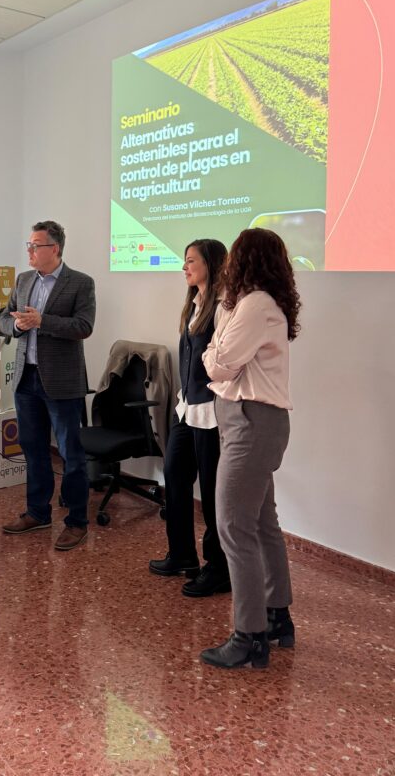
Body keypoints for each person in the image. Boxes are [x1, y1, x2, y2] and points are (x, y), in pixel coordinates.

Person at [199, 227, 300, 669]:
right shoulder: (247, 303)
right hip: (249, 421)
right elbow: (220, 353)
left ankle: (250, 636)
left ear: (243, 260)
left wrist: (214, 353)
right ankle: (277, 617)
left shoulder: (256, 304)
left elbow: (219, 363)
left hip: (251, 423)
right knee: (261, 523)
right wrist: (217, 348)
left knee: (233, 527)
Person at [0, 221, 96, 551]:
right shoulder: (24, 280)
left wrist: (43, 321)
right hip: (27, 378)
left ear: (54, 248)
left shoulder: (81, 283)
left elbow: (84, 326)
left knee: (70, 453)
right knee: (34, 448)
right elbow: (3, 319)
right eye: (28, 244)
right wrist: (18, 327)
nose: (29, 250)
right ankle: (38, 513)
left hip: (62, 381)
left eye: (35, 245)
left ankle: (77, 522)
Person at [149, 239, 231, 598]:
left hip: (211, 412)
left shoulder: (224, 308)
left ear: (211, 264)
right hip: (187, 408)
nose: (185, 267)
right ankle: (182, 554)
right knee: (174, 475)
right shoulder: (194, 304)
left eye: (191, 261)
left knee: (212, 493)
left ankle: (219, 568)